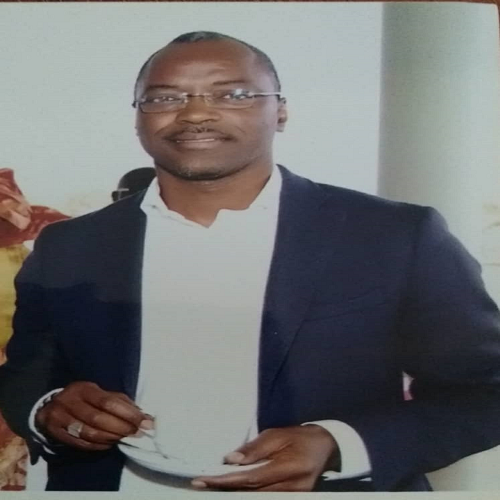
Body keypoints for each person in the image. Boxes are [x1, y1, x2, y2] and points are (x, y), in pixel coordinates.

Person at [1, 31, 500, 493]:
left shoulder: (394, 236)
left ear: (280, 112)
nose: (195, 113)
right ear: (138, 118)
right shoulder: (69, 245)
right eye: (165, 98)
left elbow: (484, 390)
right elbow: (26, 375)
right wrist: (48, 409)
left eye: (233, 94)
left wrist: (339, 444)